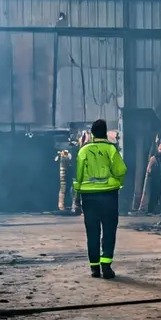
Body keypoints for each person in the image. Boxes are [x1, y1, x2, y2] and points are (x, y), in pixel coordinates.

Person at [75, 119, 128, 279]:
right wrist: (119, 183)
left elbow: (78, 176)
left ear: (91, 133)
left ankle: (94, 268)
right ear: (105, 132)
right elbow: (121, 169)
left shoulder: (83, 151)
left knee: (92, 232)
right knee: (109, 230)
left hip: (88, 196)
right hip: (108, 195)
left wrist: (77, 197)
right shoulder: (111, 150)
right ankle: (106, 267)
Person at [54, 146, 74, 214]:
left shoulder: (61, 155)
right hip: (64, 175)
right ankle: (62, 206)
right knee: (64, 189)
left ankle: (62, 206)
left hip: (64, 175)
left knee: (64, 190)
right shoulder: (65, 154)